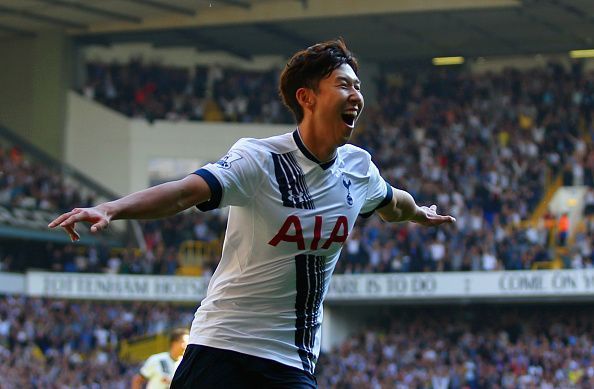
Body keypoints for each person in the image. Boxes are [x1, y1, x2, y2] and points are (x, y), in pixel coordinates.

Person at [49, 38, 455, 388]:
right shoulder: (259, 160)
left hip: (289, 358)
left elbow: (393, 204)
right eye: (343, 85)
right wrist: (111, 208)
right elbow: (182, 193)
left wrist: (420, 213)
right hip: (222, 345)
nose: (356, 95)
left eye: (358, 86)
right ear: (307, 97)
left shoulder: (359, 168)